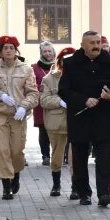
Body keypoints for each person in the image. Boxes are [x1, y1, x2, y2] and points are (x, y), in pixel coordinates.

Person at [59, 31, 110, 206]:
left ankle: (104, 193)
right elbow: (63, 91)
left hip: (104, 118)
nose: (96, 46)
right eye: (92, 43)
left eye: (98, 42)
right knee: (79, 159)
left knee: (105, 158)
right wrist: (83, 100)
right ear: (83, 45)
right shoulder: (70, 62)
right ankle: (83, 193)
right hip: (80, 118)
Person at [0, 35, 39, 199]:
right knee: (2, 150)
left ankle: (15, 174)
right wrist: (0, 95)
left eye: (11, 48)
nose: (8, 51)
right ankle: (6, 186)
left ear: (16, 51)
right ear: (0, 51)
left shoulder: (26, 69)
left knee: (16, 151)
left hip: (18, 116)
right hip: (0, 115)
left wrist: (24, 106)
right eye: (5, 48)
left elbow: (33, 93)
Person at [39, 48, 73, 197]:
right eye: (64, 61)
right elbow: (44, 100)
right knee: (57, 155)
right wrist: (60, 101)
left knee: (75, 157)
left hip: (76, 121)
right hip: (57, 122)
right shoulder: (49, 79)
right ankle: (56, 184)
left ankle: (76, 186)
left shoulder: (80, 76)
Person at [31, 41, 56, 166]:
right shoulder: (34, 68)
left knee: (57, 129)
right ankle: (45, 156)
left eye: (49, 51)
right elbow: (31, 85)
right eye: (45, 51)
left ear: (53, 52)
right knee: (43, 130)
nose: (47, 53)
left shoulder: (58, 66)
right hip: (41, 104)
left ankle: (58, 154)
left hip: (57, 102)